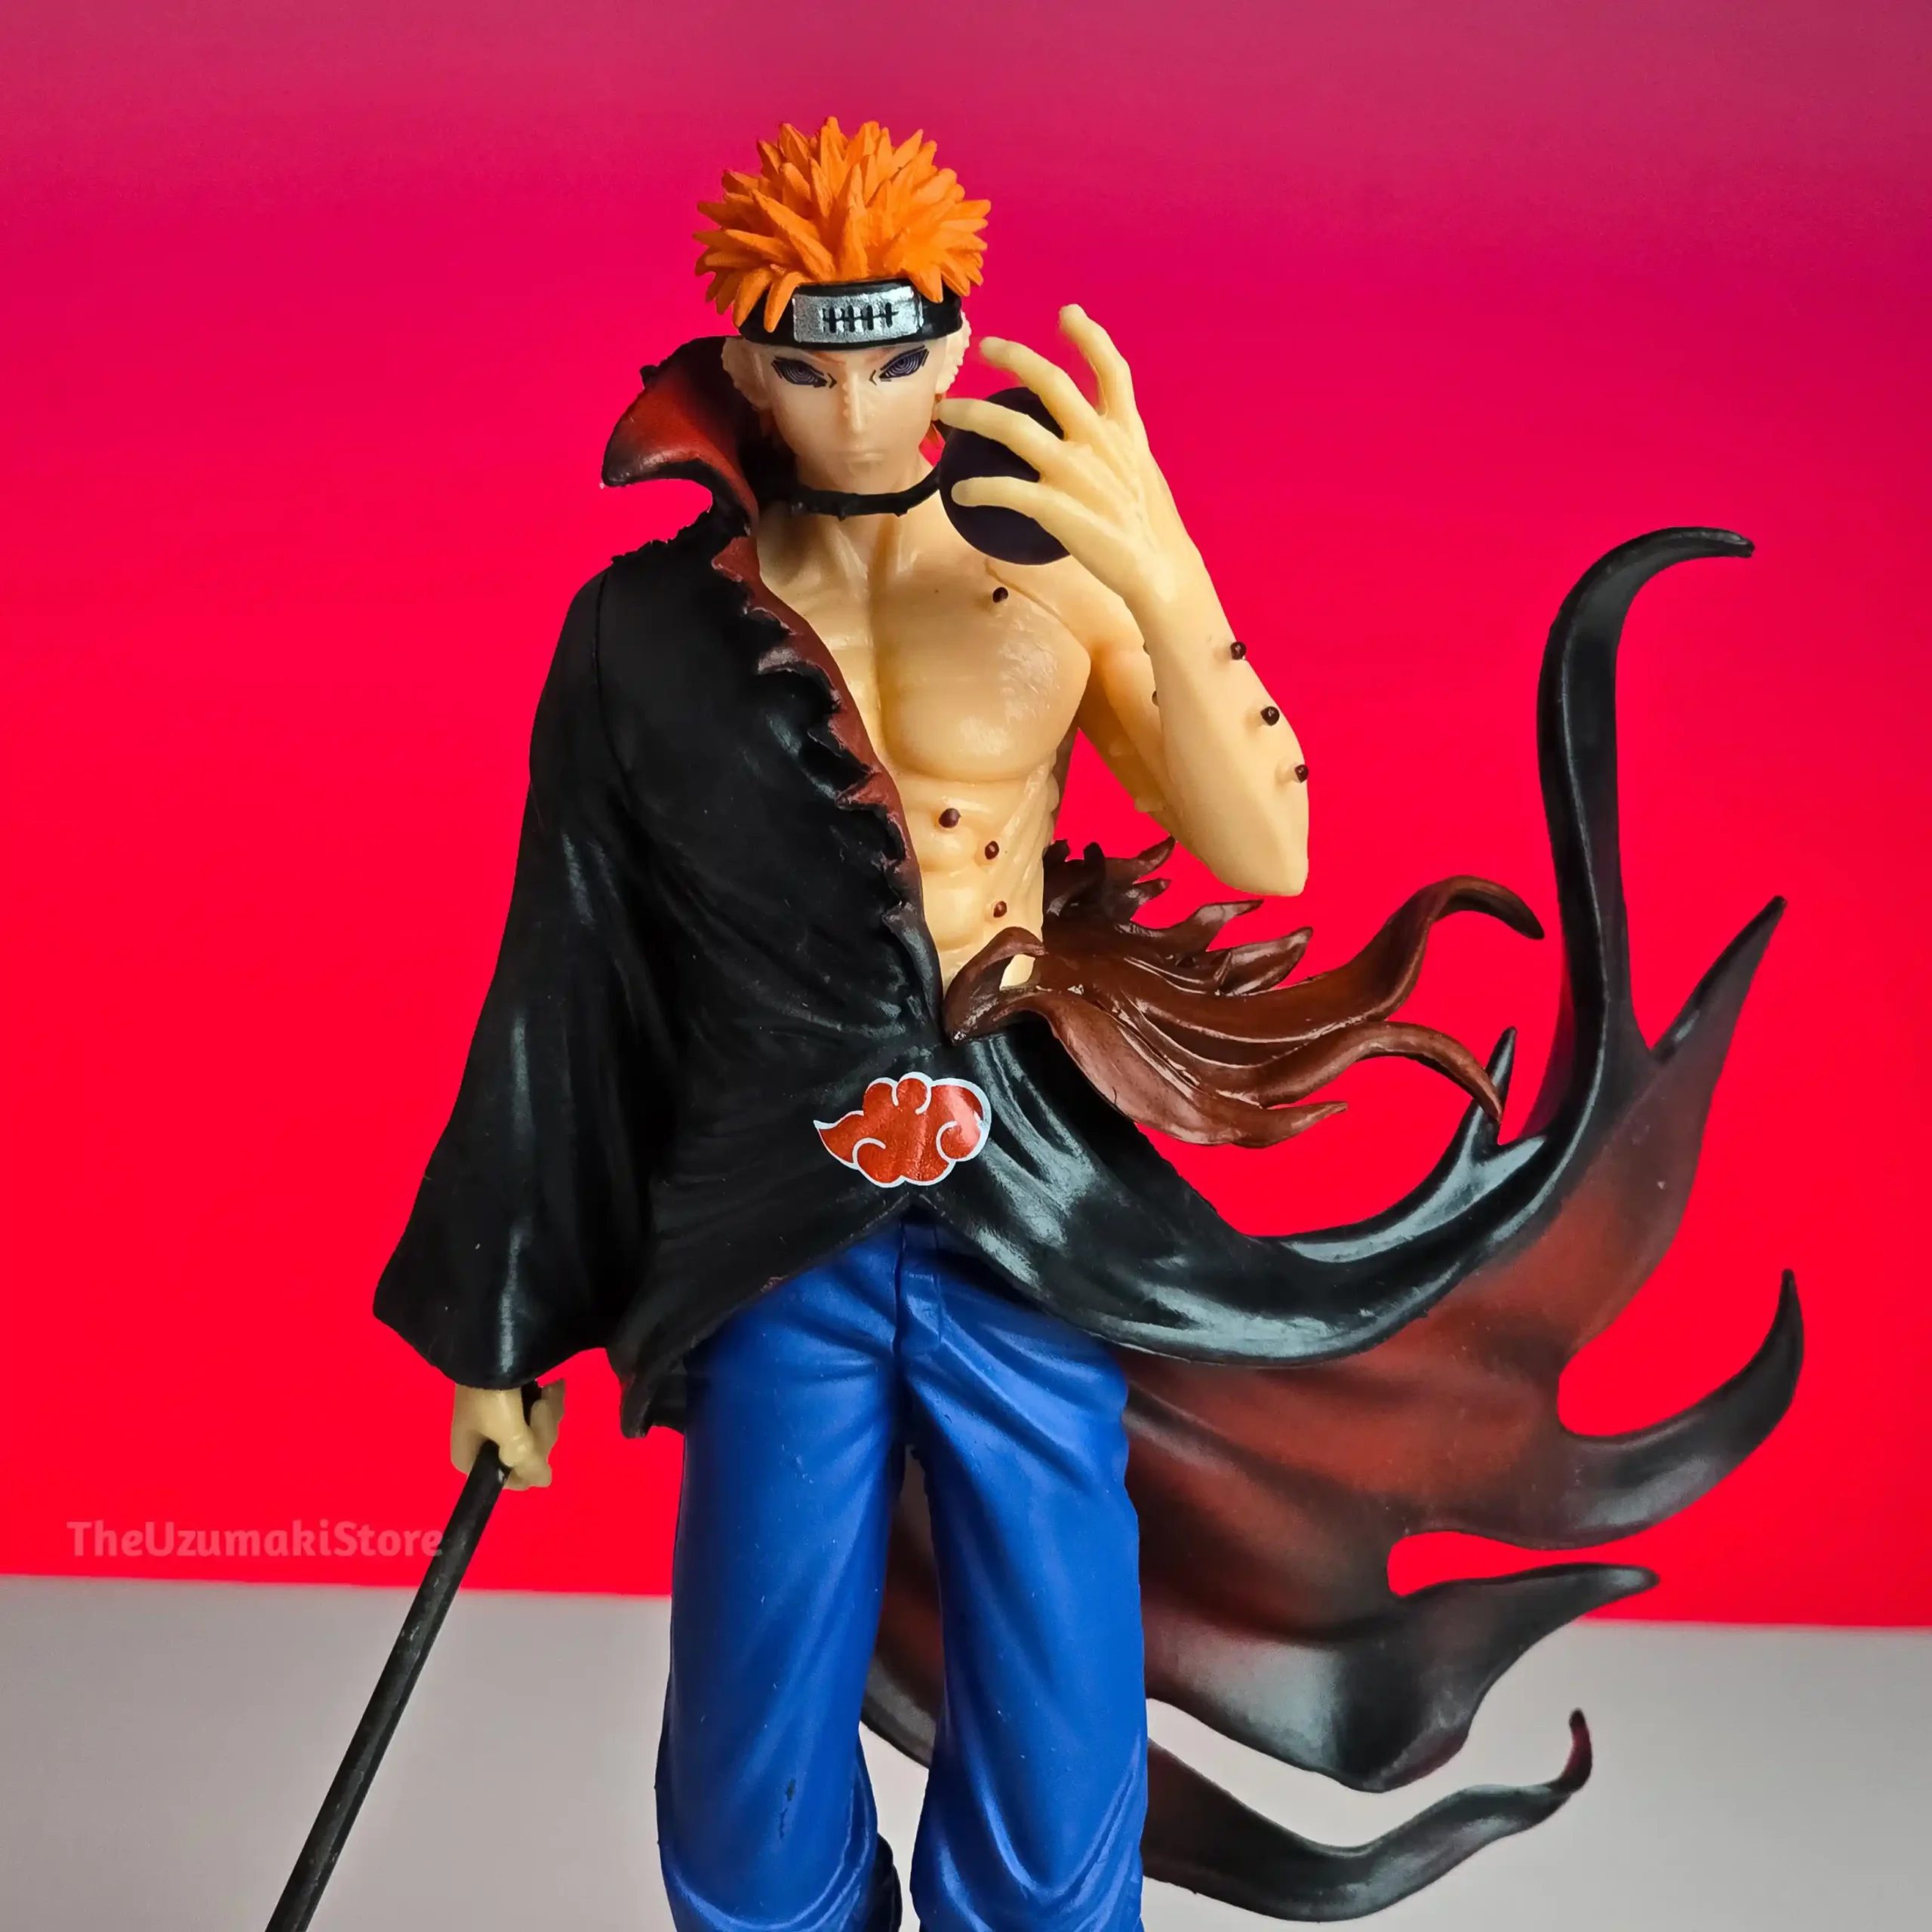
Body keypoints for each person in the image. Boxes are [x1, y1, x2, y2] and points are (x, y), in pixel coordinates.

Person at [377, 117, 1798, 1932]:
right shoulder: (639, 632)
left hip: (1026, 1205)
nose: (858, 406)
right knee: (741, 1761)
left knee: (1057, 1728)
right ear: (742, 359)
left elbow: (1263, 846)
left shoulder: (1044, 572)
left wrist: (1166, 577)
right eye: (811, 366)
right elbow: (566, 965)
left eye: (895, 356)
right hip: (770, 1211)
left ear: (953, 344)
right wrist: (499, 1320)